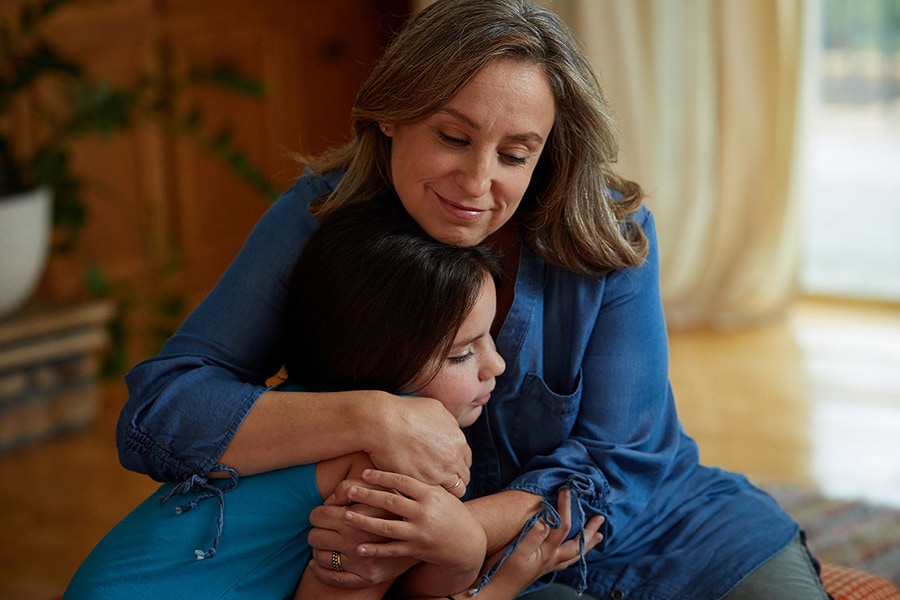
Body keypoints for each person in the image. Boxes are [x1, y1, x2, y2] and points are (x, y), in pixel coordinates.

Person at [116, 0, 830, 598]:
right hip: (447, 572)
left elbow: (621, 466)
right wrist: (371, 416)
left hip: (673, 529)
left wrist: (462, 527)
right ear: (391, 115)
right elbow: (160, 413)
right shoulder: (317, 221)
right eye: (453, 137)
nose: (477, 181)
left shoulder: (608, 234)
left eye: (516, 154)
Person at [65, 199, 598, 599]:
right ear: (379, 364)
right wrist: (484, 570)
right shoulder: (380, 465)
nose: (496, 364)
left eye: (490, 338)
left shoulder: (303, 411)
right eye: (461, 354)